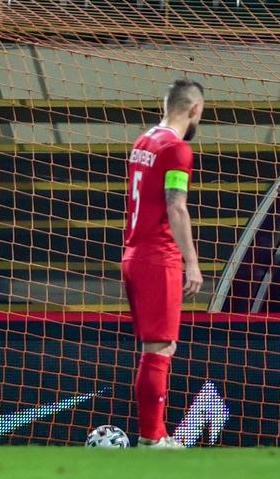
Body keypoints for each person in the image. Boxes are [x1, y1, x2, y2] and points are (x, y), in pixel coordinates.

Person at [121, 78, 205, 448]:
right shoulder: (176, 149)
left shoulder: (144, 141)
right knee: (160, 348)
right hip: (158, 256)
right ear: (195, 110)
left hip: (134, 253)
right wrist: (192, 261)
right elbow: (176, 205)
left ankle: (154, 435)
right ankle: (152, 439)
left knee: (153, 348)